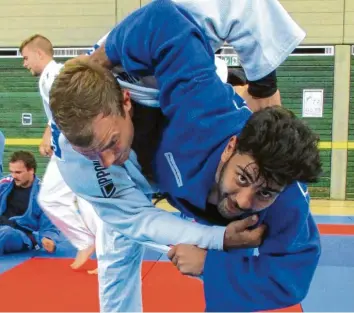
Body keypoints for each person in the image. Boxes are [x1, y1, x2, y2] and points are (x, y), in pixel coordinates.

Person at [49, 1, 321, 312]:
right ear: (231, 146)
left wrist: (211, 263)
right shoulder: (78, 163)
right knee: (117, 247)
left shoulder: (204, 118)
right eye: (243, 178)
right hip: (140, 170)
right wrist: (99, 59)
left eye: (264, 192)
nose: (246, 200)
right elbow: (137, 221)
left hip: (171, 117)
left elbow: (290, 279)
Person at [20, 34, 99, 271]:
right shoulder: (47, 78)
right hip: (65, 148)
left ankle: (104, 254)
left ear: (39, 53)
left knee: (87, 202)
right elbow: (55, 114)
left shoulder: (57, 75)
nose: (24, 64)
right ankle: (86, 242)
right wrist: (49, 134)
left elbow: (77, 108)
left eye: (25, 58)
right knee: (51, 198)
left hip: (76, 148)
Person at [0, 151, 60, 254]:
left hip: (21, 234)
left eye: (18, 172)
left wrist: (48, 239)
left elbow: (50, 224)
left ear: (31, 170)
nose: (13, 175)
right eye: (12, 171)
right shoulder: (5, 184)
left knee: (6, 233)